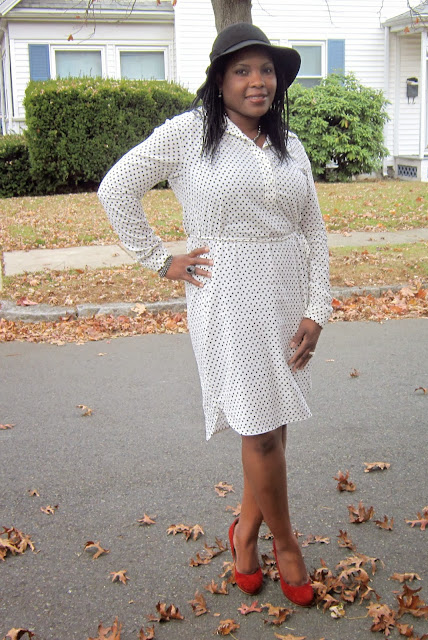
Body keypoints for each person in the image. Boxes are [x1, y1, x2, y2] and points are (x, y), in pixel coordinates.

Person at [98, 22, 331, 607]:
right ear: (220, 80)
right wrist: (159, 260)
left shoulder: (289, 146)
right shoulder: (187, 136)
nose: (258, 82)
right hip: (226, 299)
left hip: (285, 296)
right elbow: (116, 188)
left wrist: (317, 306)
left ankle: (245, 534)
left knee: (270, 426)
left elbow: (314, 229)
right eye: (243, 70)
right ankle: (287, 545)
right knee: (258, 428)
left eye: (267, 70)